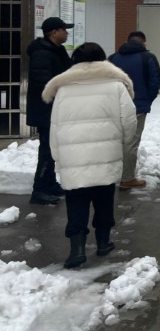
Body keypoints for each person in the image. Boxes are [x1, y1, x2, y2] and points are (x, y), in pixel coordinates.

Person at [42, 42, 137, 269]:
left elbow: (55, 126)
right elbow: (129, 120)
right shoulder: (116, 86)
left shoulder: (64, 88)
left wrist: (57, 155)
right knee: (104, 199)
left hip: (73, 156)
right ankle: (103, 242)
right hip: (106, 153)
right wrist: (123, 143)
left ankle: (76, 250)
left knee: (76, 202)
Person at [26, 16, 74, 205]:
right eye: (64, 30)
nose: (67, 33)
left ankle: (50, 183)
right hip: (45, 109)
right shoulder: (42, 53)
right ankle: (39, 190)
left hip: (55, 108)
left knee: (52, 149)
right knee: (47, 150)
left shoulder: (56, 50)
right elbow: (43, 81)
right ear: (54, 32)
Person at [109, 31, 160, 189]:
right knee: (131, 142)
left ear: (127, 41)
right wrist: (147, 99)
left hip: (115, 105)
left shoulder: (113, 58)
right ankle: (127, 178)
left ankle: (114, 174)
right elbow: (155, 80)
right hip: (137, 106)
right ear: (143, 42)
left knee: (116, 141)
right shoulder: (148, 57)